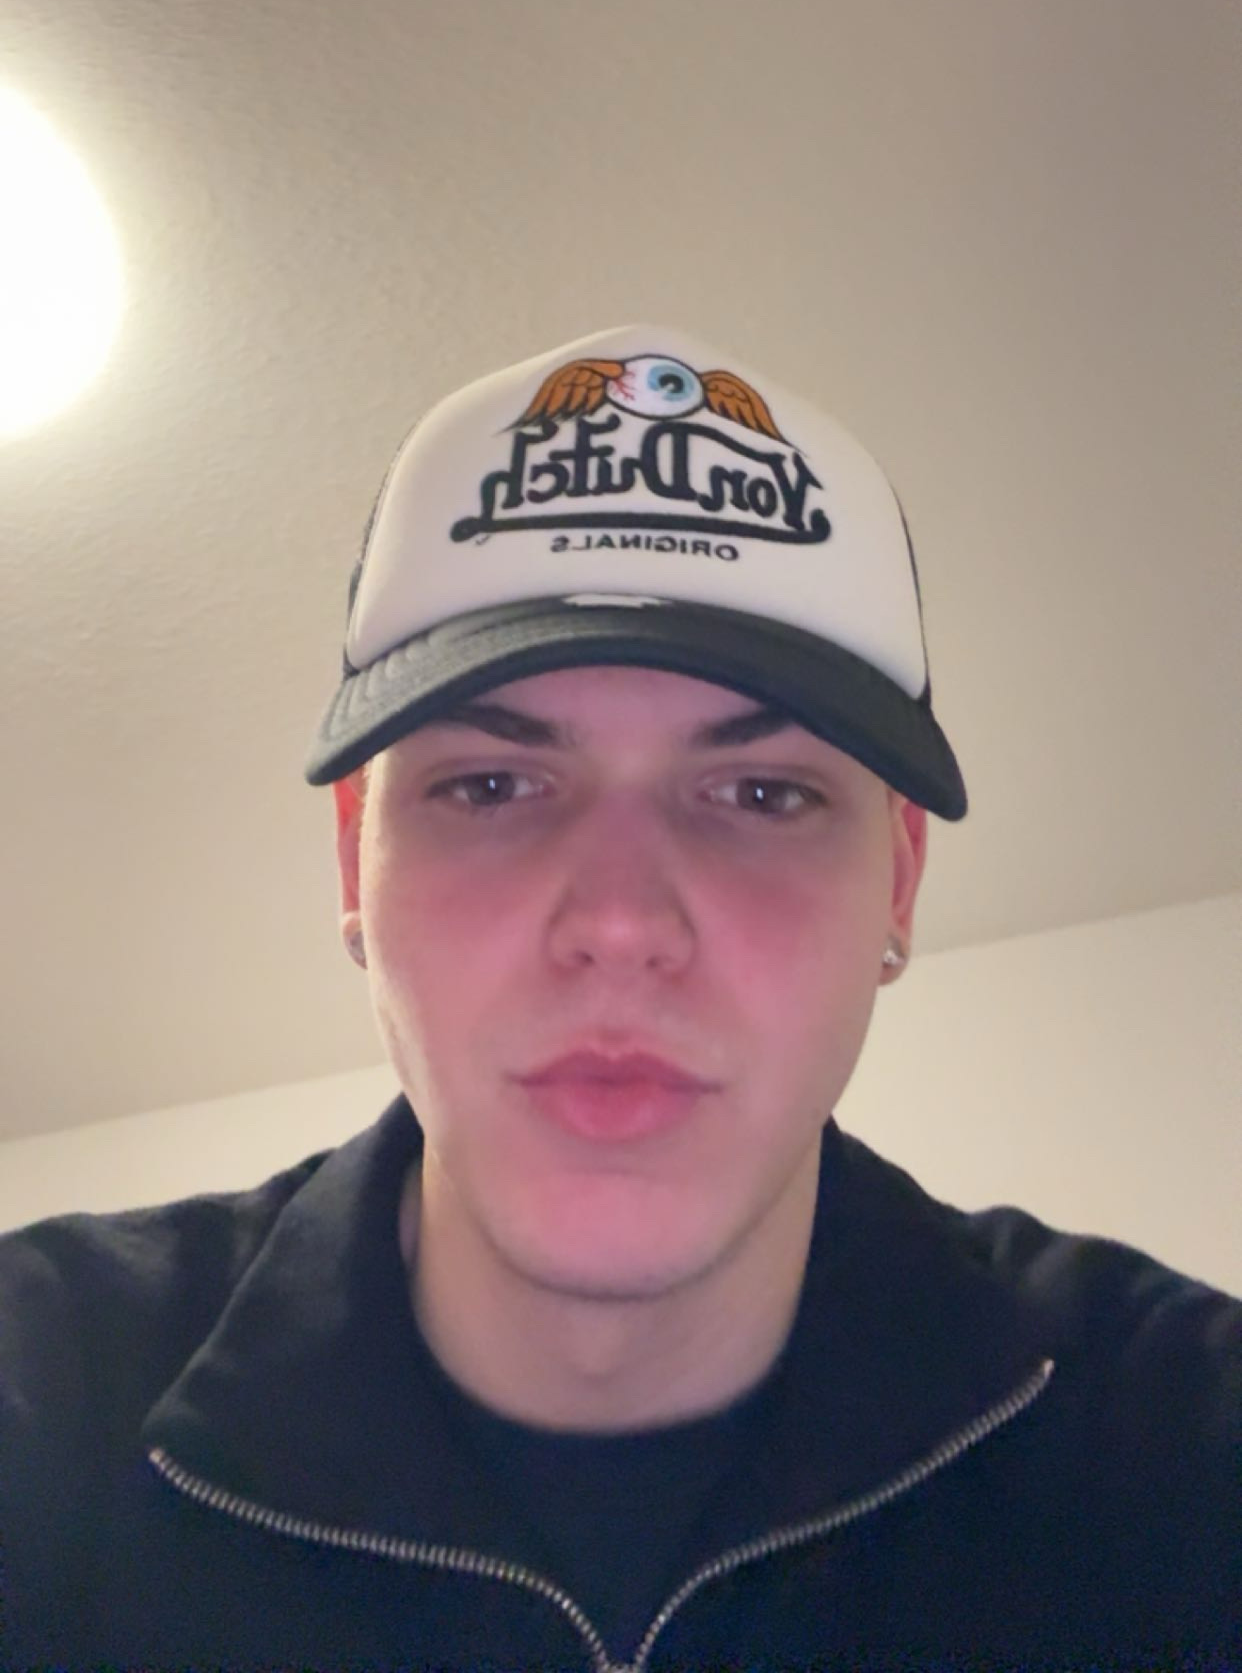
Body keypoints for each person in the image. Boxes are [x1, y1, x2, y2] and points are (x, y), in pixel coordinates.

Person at [1, 323, 1237, 1673]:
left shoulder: (1184, 1444)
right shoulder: (41, 1386)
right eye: (490, 786)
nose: (619, 924)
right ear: (355, 859)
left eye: (761, 793)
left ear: (896, 881)